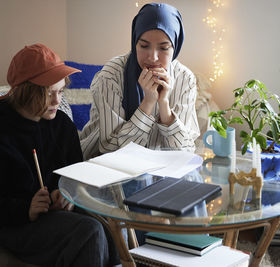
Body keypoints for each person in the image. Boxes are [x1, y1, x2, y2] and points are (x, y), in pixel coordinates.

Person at [0, 43, 119, 267]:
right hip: (15, 224)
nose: (57, 101)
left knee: (107, 224)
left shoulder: (62, 125)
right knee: (90, 232)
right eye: (48, 93)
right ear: (26, 91)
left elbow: (74, 175)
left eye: (61, 91)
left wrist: (65, 194)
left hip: (55, 217)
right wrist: (26, 209)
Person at [80, 3, 200, 160]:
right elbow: (110, 149)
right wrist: (148, 103)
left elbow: (184, 151)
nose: (153, 57)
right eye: (144, 46)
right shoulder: (111, 76)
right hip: (104, 169)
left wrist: (164, 105)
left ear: (175, 48)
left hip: (161, 172)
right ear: (134, 42)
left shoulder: (185, 79)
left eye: (163, 48)